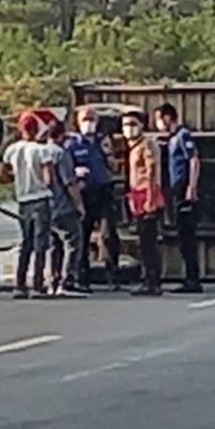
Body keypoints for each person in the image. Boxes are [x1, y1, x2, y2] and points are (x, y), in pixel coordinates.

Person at [67, 106, 121, 291]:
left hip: (104, 191)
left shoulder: (102, 141)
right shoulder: (73, 143)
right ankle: (82, 277)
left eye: (92, 120)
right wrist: (75, 172)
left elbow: (114, 168)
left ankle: (113, 275)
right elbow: (65, 170)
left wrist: (108, 153)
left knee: (108, 235)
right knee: (83, 236)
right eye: (85, 120)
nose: (89, 124)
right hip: (84, 194)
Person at [2, 111, 55, 299]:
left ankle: (20, 283)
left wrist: (19, 177)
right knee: (41, 243)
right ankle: (38, 284)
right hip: (40, 197)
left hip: (23, 199)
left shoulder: (12, 150)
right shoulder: (42, 151)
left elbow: (4, 176)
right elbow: (49, 179)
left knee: (26, 242)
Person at [155, 102, 204, 294]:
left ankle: (193, 279)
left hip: (183, 187)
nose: (158, 124)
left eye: (158, 119)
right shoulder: (171, 139)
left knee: (187, 235)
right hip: (176, 188)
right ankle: (189, 277)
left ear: (167, 118)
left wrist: (191, 187)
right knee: (182, 235)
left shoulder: (183, 136)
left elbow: (193, 160)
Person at [123, 111, 164, 296]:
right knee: (143, 240)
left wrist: (150, 198)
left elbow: (151, 171)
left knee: (149, 241)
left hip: (147, 193)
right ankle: (148, 279)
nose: (128, 128)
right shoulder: (133, 147)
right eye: (125, 124)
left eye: (132, 123)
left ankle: (152, 281)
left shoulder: (147, 144)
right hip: (137, 194)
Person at [44, 119, 87, 296]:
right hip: (63, 204)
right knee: (73, 241)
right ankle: (68, 281)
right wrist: (79, 204)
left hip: (46, 204)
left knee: (53, 245)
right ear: (61, 135)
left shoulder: (40, 152)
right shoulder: (61, 154)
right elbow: (69, 182)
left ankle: (52, 280)